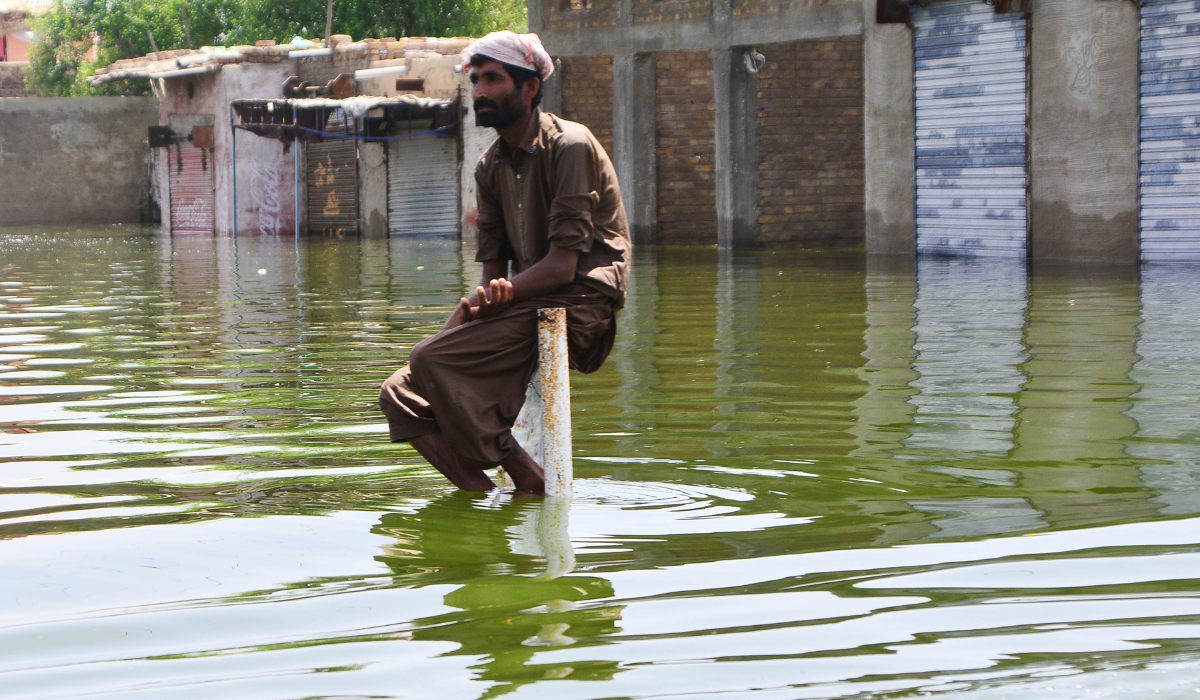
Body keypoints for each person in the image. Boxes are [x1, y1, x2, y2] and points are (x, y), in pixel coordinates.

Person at [379, 31, 632, 493]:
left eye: (493, 79)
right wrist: (476, 305)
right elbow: (493, 276)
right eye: (475, 80)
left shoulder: (570, 145)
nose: (479, 92)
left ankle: (525, 477)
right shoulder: (488, 166)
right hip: (528, 303)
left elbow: (560, 267)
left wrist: (498, 297)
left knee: (429, 359)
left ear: (530, 87)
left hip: (580, 302)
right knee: (399, 393)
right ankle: (487, 496)